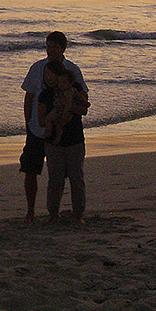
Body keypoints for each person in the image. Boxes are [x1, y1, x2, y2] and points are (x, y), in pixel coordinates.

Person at [19, 31, 87, 222]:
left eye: (55, 46)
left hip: (65, 130)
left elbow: (83, 98)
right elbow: (29, 96)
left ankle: (71, 212)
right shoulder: (37, 68)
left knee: (66, 174)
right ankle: (30, 211)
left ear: (63, 48)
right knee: (30, 168)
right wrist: (28, 122)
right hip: (37, 127)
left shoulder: (72, 70)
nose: (50, 50)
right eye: (48, 46)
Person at [38, 60, 88, 224]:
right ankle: (53, 213)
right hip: (54, 143)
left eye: (52, 74)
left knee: (76, 178)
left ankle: (78, 214)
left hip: (75, 139)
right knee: (55, 179)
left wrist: (69, 106)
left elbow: (84, 109)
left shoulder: (75, 88)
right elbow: (40, 120)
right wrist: (56, 114)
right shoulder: (45, 94)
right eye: (46, 75)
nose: (49, 78)